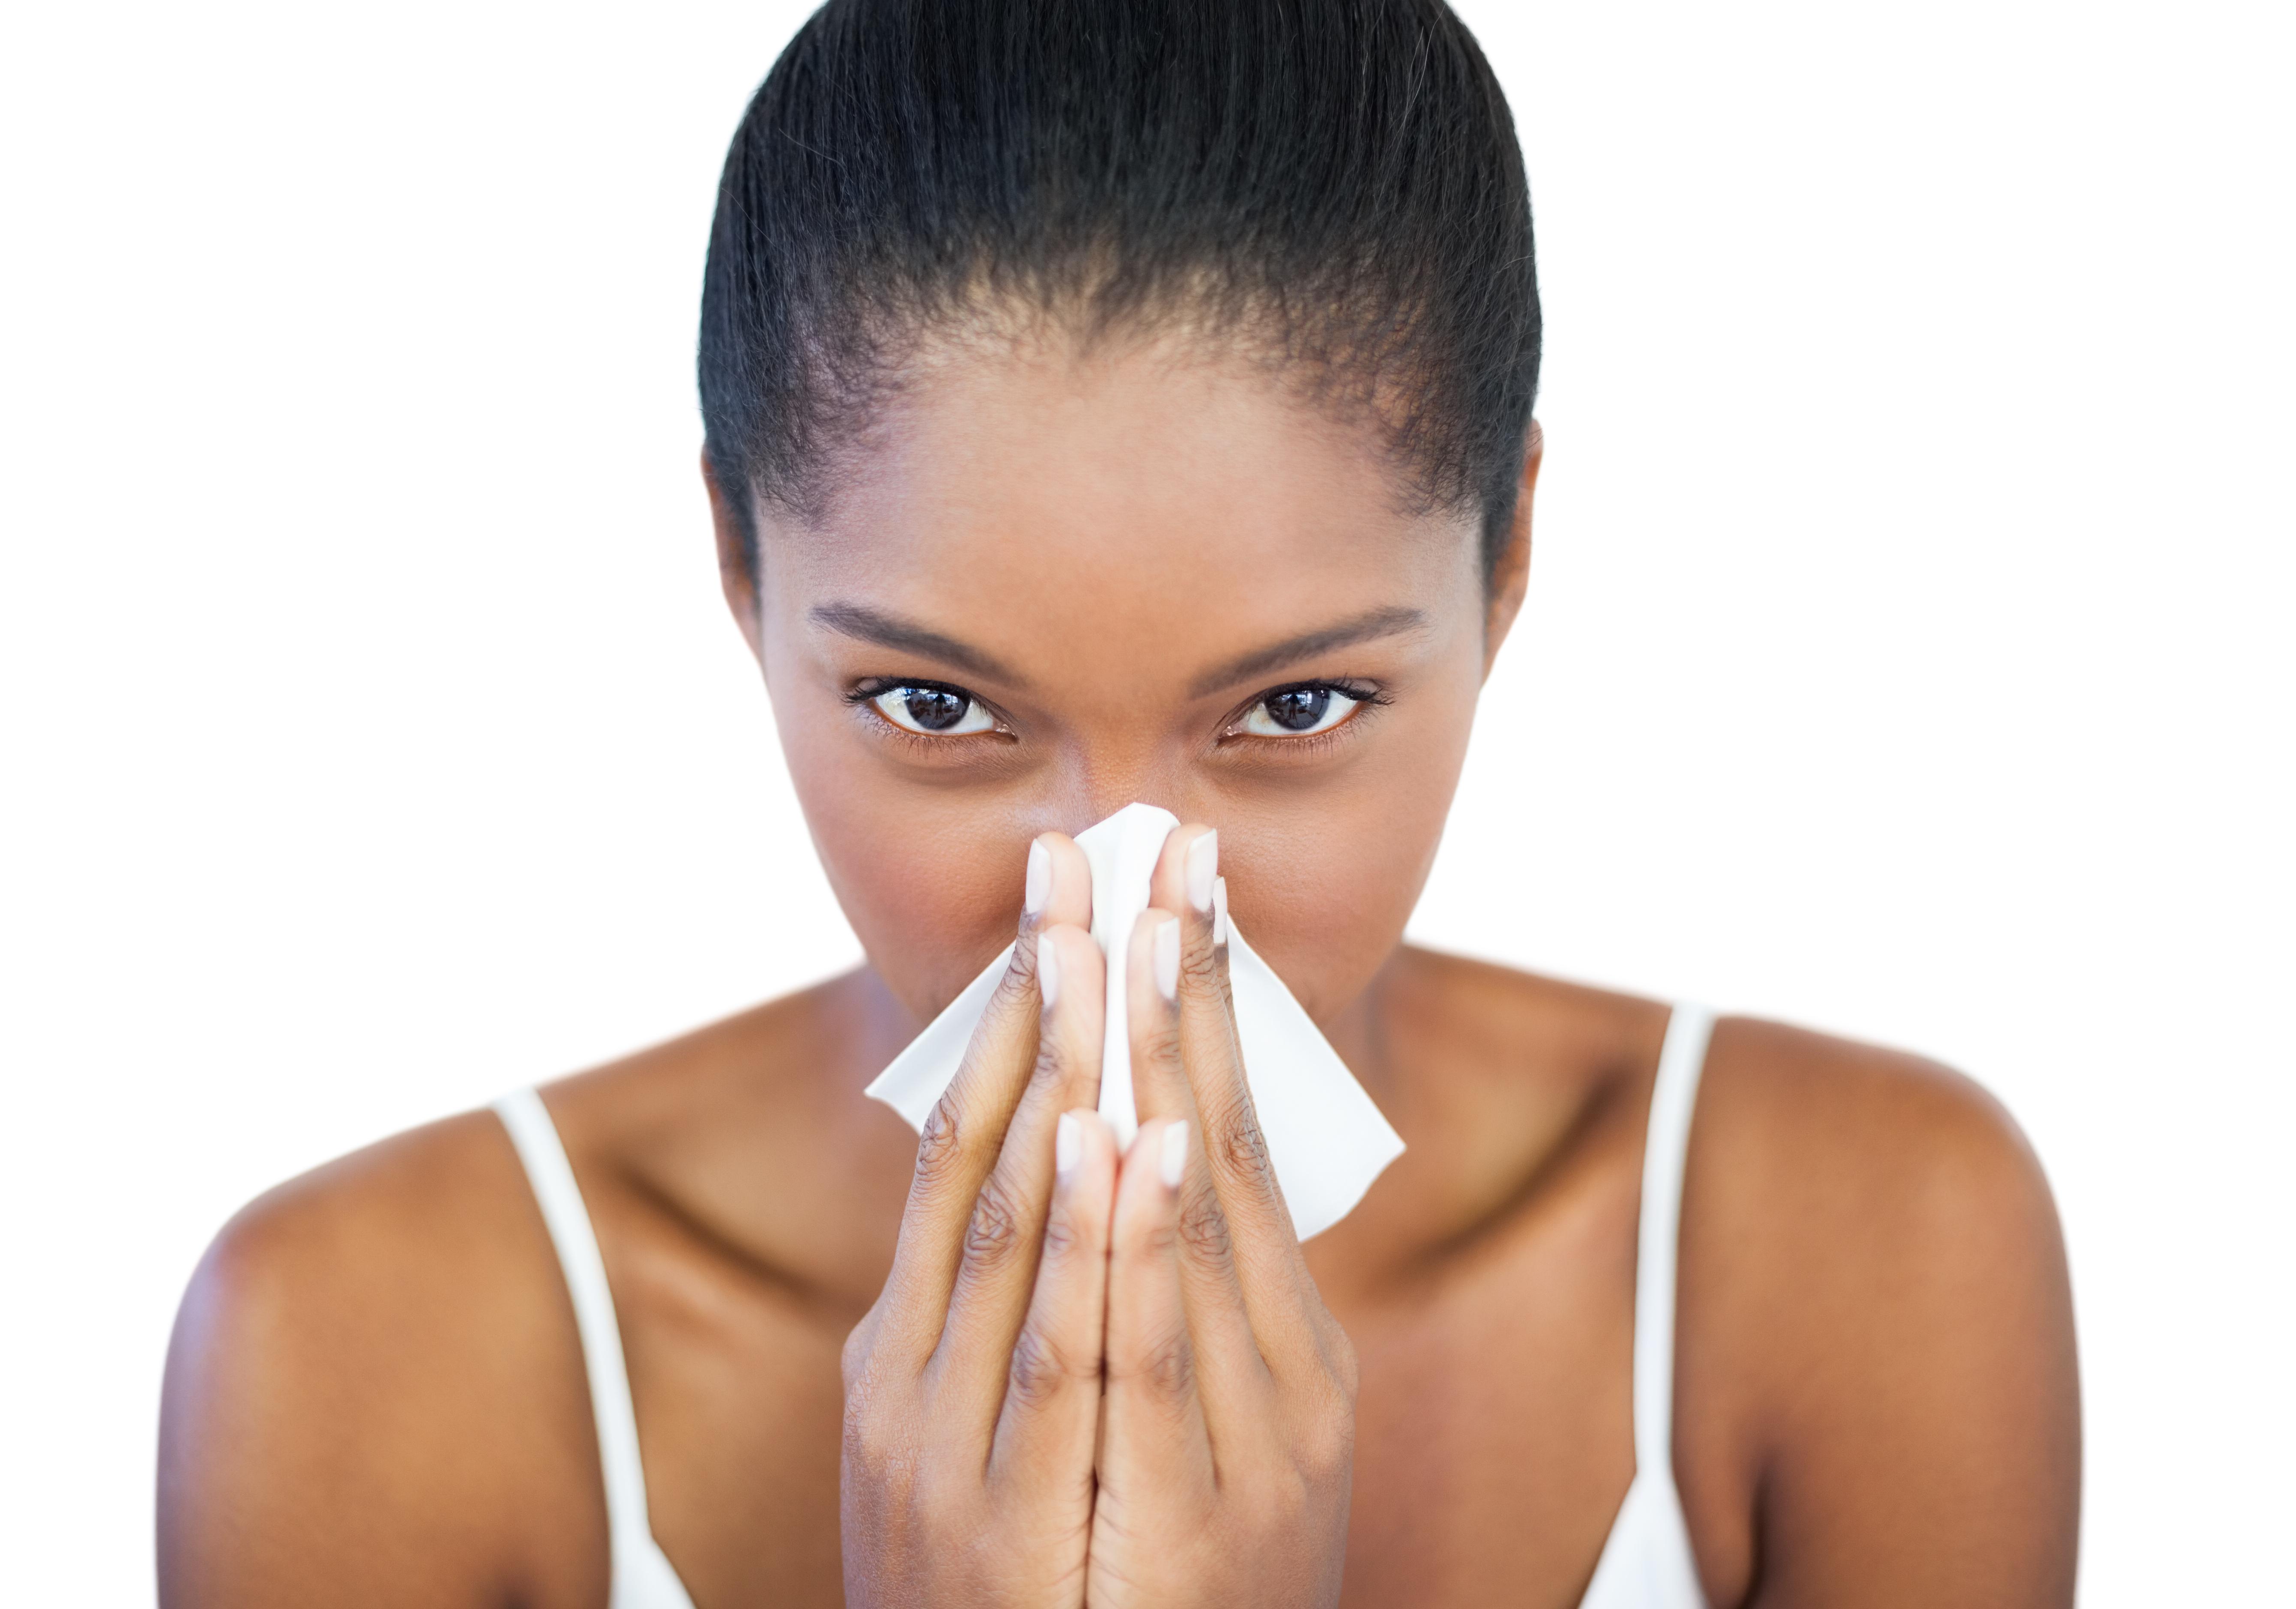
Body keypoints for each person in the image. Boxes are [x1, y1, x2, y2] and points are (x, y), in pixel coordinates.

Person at [156, 1, 2081, 1603]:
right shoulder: (369, 1357)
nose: (1123, 901)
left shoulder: (1856, 1257)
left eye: (1298, 705)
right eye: (937, 705)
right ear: (740, 572)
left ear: (1506, 568)